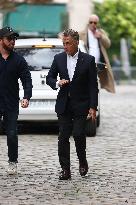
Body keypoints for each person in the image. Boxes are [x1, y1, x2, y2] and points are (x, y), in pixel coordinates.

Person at [46, 29, 98, 180]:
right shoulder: (58, 58)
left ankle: (82, 160)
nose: (65, 46)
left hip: (81, 104)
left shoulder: (88, 60)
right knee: (63, 137)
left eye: (68, 43)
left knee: (78, 134)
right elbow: (50, 77)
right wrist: (57, 82)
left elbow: (92, 86)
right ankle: (65, 169)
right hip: (64, 104)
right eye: (63, 43)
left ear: (76, 42)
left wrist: (93, 106)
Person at [0, 27, 32, 175]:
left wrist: (26, 96)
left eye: (14, 39)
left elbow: (26, 79)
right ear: (1, 40)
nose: (13, 41)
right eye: (9, 38)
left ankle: (13, 162)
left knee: (12, 134)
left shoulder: (19, 60)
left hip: (11, 103)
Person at [80, 14, 115, 93]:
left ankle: (93, 99)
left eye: (95, 23)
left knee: (95, 82)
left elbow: (108, 44)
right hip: (86, 62)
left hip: (99, 63)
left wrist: (101, 37)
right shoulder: (82, 33)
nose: (93, 24)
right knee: (87, 81)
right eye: (91, 22)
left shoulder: (101, 32)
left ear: (97, 23)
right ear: (88, 23)